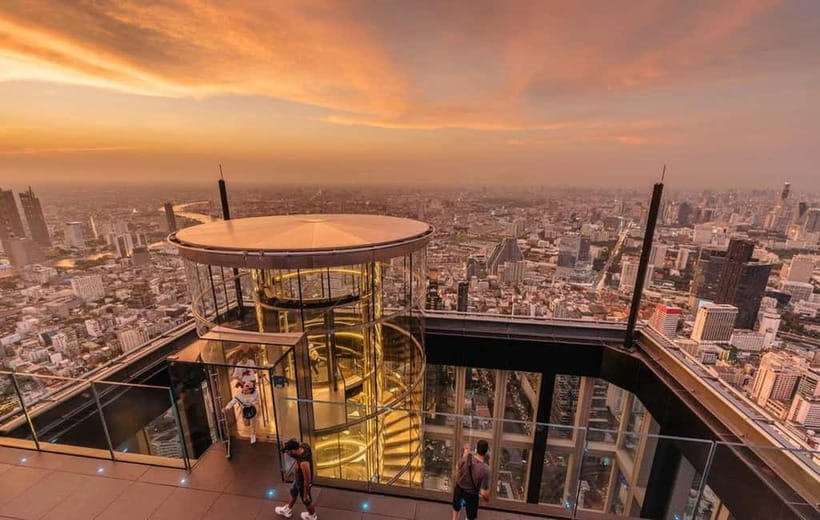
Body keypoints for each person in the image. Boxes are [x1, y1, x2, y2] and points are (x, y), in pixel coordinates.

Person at [276, 438, 317, 520]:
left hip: (303, 483)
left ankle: (312, 515)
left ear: (294, 450)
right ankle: (288, 510)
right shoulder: (304, 447)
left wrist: (306, 494)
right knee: (293, 491)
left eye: (288, 452)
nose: (287, 454)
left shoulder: (304, 463)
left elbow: (307, 479)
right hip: (298, 479)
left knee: (306, 500)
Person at [452, 440, 490, 520]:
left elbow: (457, 467)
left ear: (476, 449)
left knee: (456, 509)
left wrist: (465, 455)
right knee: (470, 517)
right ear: (486, 452)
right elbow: (483, 492)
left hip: (459, 489)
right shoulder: (485, 469)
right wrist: (486, 500)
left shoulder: (467, 458)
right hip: (471, 495)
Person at [223, 380, 260, 444]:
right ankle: (247, 424)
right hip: (244, 409)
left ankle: (253, 435)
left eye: (248, 390)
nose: (245, 391)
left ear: (251, 390)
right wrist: (227, 408)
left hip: (252, 409)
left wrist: (252, 403)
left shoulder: (255, 393)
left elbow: (257, 400)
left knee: (252, 423)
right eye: (245, 389)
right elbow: (233, 401)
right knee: (246, 423)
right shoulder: (239, 395)